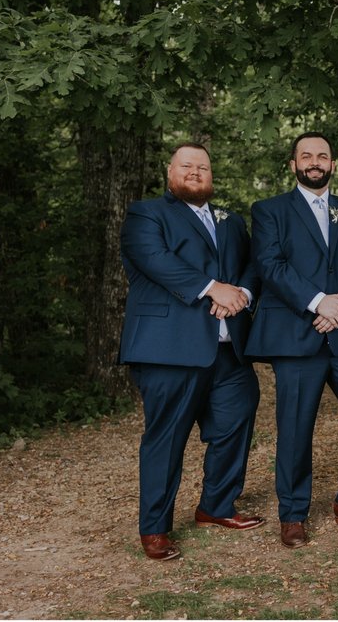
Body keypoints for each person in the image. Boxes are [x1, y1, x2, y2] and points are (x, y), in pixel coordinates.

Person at [246, 133, 338, 549]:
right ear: (293, 163)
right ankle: (292, 514)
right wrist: (318, 304)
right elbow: (270, 266)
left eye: (323, 156)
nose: (315, 162)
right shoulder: (269, 211)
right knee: (295, 425)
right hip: (297, 335)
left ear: (333, 163)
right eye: (307, 155)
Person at [119, 143, 264, 561]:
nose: (196, 172)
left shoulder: (231, 220)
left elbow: (251, 265)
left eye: (203, 166)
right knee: (166, 438)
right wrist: (211, 288)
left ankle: (216, 507)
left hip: (227, 348)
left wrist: (242, 293)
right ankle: (155, 527)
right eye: (187, 165)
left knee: (237, 421)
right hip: (169, 349)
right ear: (171, 172)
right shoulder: (146, 214)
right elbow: (156, 260)